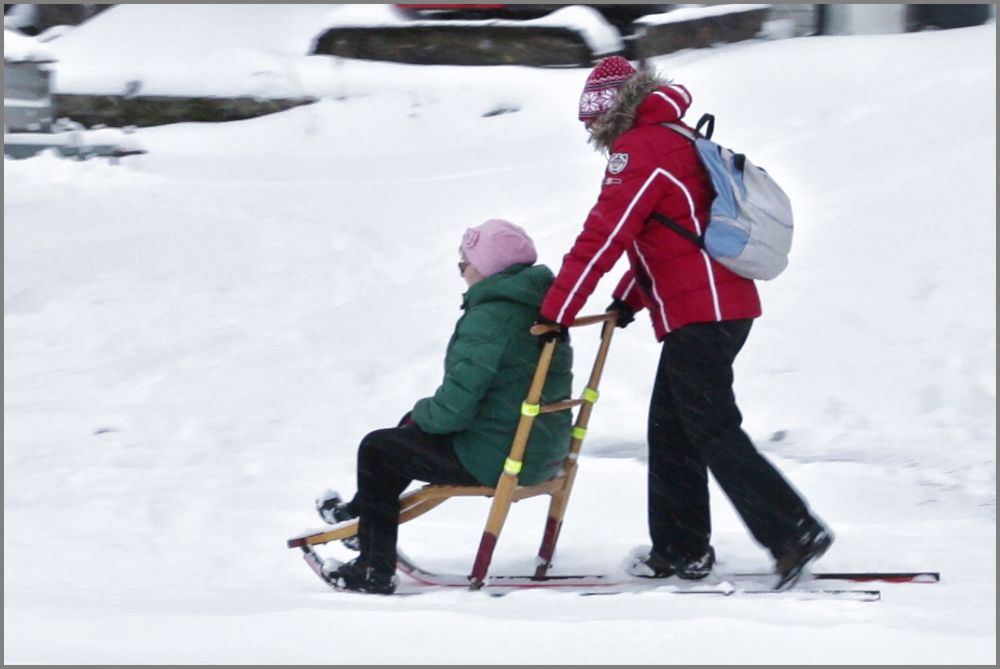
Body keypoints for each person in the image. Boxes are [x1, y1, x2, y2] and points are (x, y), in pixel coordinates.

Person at [536, 56, 832, 589]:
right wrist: (630, 297)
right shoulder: (674, 133)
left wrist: (556, 312)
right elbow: (672, 230)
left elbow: (606, 234)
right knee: (671, 431)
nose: (589, 133)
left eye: (591, 122)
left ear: (610, 113)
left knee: (711, 428)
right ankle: (680, 550)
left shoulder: (640, 149)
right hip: (717, 307)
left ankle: (793, 532)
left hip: (705, 313)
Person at [316, 219, 574, 594]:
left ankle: (373, 567)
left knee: (379, 449)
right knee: (404, 435)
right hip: (542, 448)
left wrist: (421, 414)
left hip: (497, 455)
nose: (461, 272)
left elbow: (455, 409)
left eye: (464, 264)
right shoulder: (540, 308)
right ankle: (361, 516)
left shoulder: (490, 318)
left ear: (488, 269)